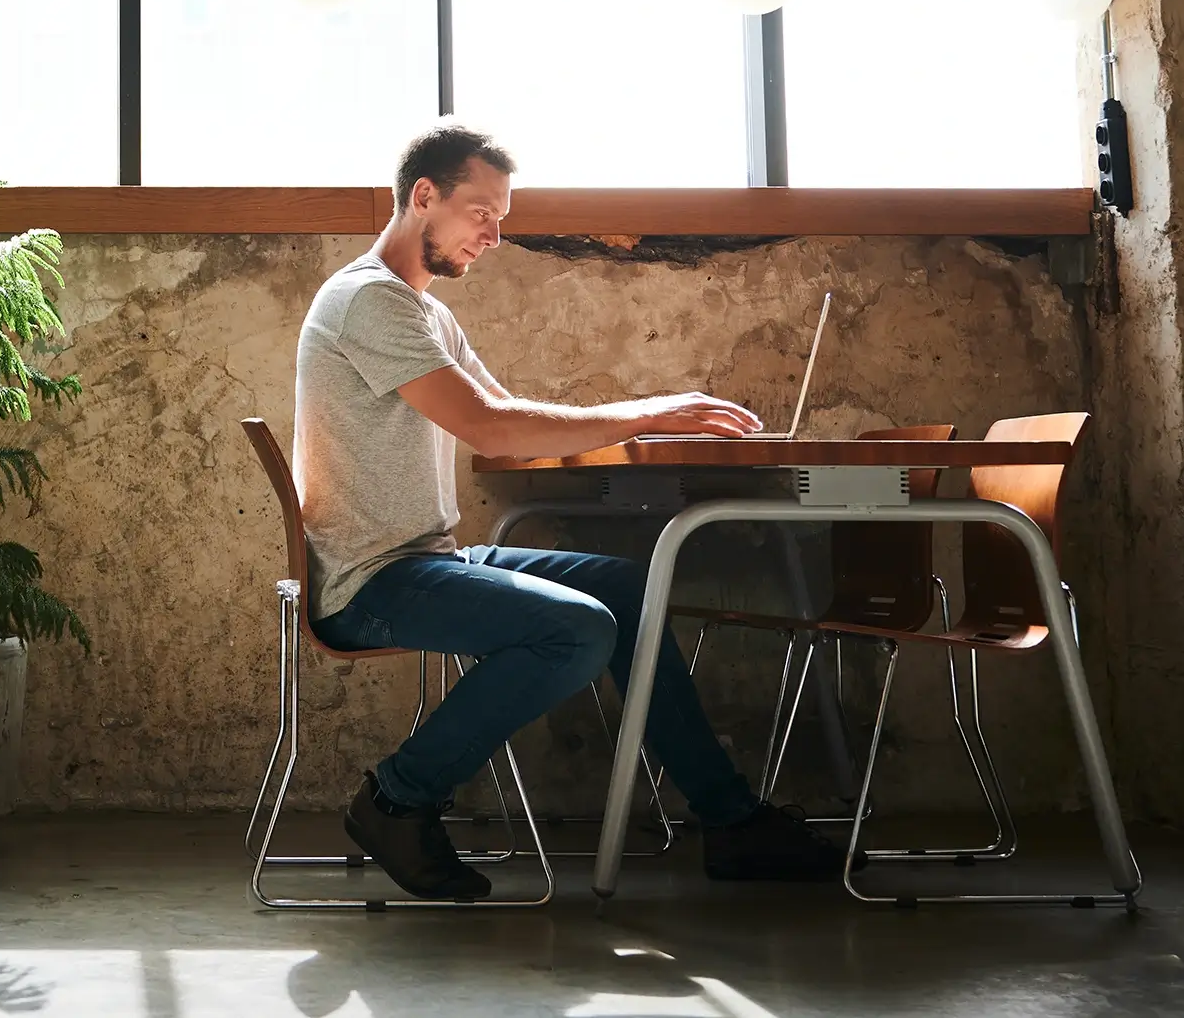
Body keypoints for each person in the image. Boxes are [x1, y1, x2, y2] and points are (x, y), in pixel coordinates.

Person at [292, 121, 847, 899]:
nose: (494, 234)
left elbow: (505, 417)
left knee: (627, 589)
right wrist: (653, 411)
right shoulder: (369, 302)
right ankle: (396, 798)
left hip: (427, 560)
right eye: (482, 211)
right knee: (577, 629)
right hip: (372, 584)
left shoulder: (422, 311)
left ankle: (730, 821)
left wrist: (641, 419)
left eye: (502, 216)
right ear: (425, 196)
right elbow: (491, 429)